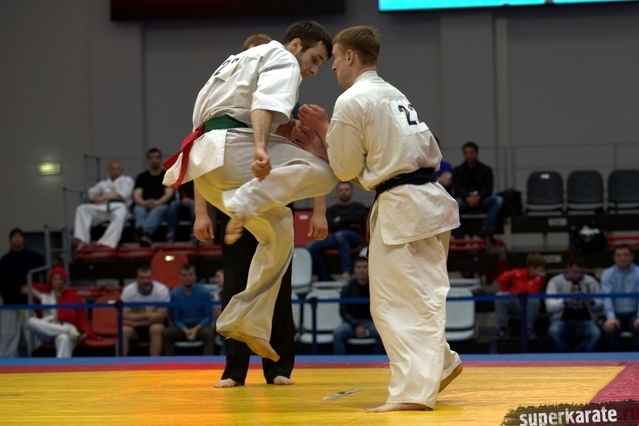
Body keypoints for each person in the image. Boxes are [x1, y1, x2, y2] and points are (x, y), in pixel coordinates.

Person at [295, 26, 464, 413]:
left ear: (350, 56)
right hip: (430, 201)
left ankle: (412, 392)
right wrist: (327, 143)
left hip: (403, 206)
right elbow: (372, 164)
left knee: (394, 304)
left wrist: (323, 133)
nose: (332, 66)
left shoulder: (352, 100)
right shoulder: (393, 93)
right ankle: (440, 363)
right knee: (421, 294)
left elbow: (345, 169)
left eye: (335, 57)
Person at [163, 20, 338, 361]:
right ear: (296, 44)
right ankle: (247, 199)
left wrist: (283, 131)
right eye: (315, 59)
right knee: (329, 173)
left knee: (280, 233)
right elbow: (262, 104)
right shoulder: (283, 58)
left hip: (208, 169)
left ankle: (243, 319)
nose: (314, 70)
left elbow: (227, 112)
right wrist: (260, 146)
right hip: (235, 156)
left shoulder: (234, 62)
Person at [24, 266, 98, 358]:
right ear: (51, 280)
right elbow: (24, 287)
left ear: (64, 281)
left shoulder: (71, 296)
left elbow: (72, 317)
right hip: (48, 329)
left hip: (65, 328)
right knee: (30, 321)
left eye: (60, 279)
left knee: (64, 338)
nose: (57, 282)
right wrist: (40, 296)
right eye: (55, 279)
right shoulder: (46, 292)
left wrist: (59, 317)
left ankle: (61, 366)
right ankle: (65, 330)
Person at [307, 181, 368, 281]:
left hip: (354, 237)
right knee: (311, 246)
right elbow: (330, 224)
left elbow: (359, 217)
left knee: (341, 235)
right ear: (337, 192)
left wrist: (340, 219)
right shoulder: (331, 209)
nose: (344, 192)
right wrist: (349, 221)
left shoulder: (358, 206)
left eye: (346, 190)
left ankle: (347, 271)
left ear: (351, 191)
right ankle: (325, 276)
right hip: (334, 238)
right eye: (341, 190)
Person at [0, 228, 45, 357]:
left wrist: (38, 293)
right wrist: (6, 295)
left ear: (24, 239)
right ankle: (6, 362)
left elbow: (45, 271)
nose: (17, 239)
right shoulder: (4, 260)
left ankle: (36, 358)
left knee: (32, 331)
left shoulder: (34, 257)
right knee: (8, 333)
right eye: (14, 236)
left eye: (20, 236)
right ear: (10, 240)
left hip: (28, 302)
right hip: (10, 303)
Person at [73, 158, 135, 251]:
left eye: (118, 168)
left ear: (122, 170)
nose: (115, 171)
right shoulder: (103, 183)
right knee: (82, 209)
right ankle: (83, 240)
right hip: (104, 208)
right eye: (113, 169)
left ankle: (106, 243)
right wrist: (94, 199)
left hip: (120, 207)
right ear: (108, 170)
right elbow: (90, 193)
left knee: (120, 214)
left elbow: (123, 195)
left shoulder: (127, 180)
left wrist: (104, 197)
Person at [545, 255, 602, 352]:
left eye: (581, 272)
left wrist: (591, 301)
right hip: (561, 320)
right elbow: (549, 307)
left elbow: (600, 305)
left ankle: (579, 356)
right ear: (568, 267)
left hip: (585, 320)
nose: (578, 275)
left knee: (596, 333)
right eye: (575, 272)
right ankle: (566, 356)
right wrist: (565, 301)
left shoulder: (591, 282)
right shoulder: (555, 282)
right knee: (553, 331)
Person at [332, 257, 384, 355]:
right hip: (352, 323)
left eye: (364, 267)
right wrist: (356, 325)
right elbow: (343, 311)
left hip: (371, 322)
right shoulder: (347, 288)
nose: (362, 270)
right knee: (338, 333)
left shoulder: (377, 287)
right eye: (358, 267)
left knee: (384, 333)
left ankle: (378, 362)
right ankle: (340, 363)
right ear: (354, 270)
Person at [452, 141, 503, 238]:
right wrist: (467, 197)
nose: (469, 155)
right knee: (454, 205)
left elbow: (488, 188)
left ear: (476, 153)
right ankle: (459, 237)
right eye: (466, 153)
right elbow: (457, 187)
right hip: (464, 200)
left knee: (498, 200)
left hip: (482, 200)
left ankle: (487, 227)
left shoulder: (486, 170)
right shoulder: (458, 170)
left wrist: (479, 197)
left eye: (471, 152)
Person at [162, 263, 215, 355]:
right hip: (182, 327)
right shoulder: (175, 294)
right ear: (180, 277)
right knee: (167, 334)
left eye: (190, 275)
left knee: (209, 333)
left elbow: (208, 317)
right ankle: (169, 362)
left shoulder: (204, 292)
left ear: (195, 276)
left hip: (200, 326)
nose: (187, 278)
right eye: (184, 275)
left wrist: (195, 329)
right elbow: (175, 318)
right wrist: (186, 330)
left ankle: (209, 362)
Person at [493, 253, 547, 340]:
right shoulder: (517, 273)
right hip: (515, 302)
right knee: (499, 296)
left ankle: (529, 328)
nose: (543, 273)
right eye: (540, 270)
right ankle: (503, 328)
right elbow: (501, 279)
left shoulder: (539, 279)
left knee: (534, 300)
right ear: (532, 268)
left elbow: (531, 292)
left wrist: (538, 279)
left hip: (529, 305)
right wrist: (505, 291)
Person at [120, 265, 170, 356]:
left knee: (156, 328)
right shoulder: (128, 290)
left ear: (153, 277)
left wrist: (134, 322)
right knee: (124, 331)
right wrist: (149, 315)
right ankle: (119, 363)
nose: (146, 281)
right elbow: (125, 315)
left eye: (148, 278)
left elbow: (160, 317)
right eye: (142, 278)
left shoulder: (161, 290)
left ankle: (154, 363)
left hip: (152, 326)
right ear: (137, 279)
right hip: (135, 329)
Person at [600, 244, 639, 351]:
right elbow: (607, 297)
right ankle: (613, 359)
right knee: (609, 328)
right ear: (614, 258)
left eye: (625, 255)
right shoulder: (607, 274)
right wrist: (610, 317)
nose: (622, 258)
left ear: (632, 257)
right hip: (616, 314)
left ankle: (635, 358)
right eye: (619, 255)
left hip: (634, 314)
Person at [133, 148, 174, 247]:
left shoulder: (167, 175)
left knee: (158, 209)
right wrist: (144, 203)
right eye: (151, 158)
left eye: (157, 157)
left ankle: (142, 232)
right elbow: (136, 195)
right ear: (147, 160)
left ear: (161, 159)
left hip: (161, 204)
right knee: (138, 209)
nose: (154, 160)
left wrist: (156, 203)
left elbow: (169, 194)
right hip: (144, 204)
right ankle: (144, 235)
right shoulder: (141, 177)